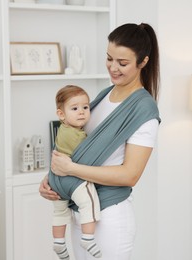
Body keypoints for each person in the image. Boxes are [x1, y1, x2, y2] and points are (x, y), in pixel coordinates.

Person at [40, 22, 161, 260]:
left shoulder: (144, 109)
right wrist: (52, 178)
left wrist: (70, 169)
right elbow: (79, 147)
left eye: (122, 63)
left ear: (143, 62)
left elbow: (130, 175)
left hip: (109, 215)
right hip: (81, 209)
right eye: (109, 58)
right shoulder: (106, 94)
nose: (113, 68)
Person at [50, 85, 102, 260]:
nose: (82, 112)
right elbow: (86, 159)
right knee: (89, 203)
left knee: (59, 213)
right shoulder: (79, 136)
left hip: (55, 180)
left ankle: (58, 242)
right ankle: (88, 238)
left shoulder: (63, 130)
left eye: (85, 107)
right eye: (75, 108)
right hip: (71, 180)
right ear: (61, 114)